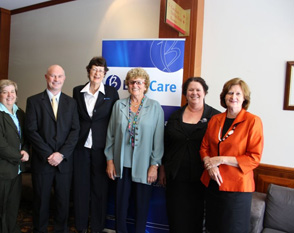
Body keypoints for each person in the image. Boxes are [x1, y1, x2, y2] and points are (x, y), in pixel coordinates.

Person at [200, 78, 264, 233]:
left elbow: (254, 158)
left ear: (244, 98)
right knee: (212, 228)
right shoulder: (216, 119)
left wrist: (220, 160)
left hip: (237, 189)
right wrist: (210, 165)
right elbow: (204, 148)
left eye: (237, 93)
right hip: (213, 184)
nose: (233, 97)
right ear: (224, 96)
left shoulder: (253, 121)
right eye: (230, 93)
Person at [104, 68, 164, 233]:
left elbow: (158, 140)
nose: (135, 85)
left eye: (139, 82)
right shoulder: (118, 105)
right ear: (128, 85)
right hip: (121, 165)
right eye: (132, 82)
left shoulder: (155, 107)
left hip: (144, 166)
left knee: (141, 207)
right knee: (120, 207)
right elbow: (110, 136)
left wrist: (154, 165)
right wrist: (109, 161)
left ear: (145, 86)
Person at [159, 77, 220, 232]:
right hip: (176, 176)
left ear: (205, 92)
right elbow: (167, 144)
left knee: (196, 219)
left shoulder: (216, 117)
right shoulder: (175, 116)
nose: (194, 93)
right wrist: (163, 169)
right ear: (185, 93)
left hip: (202, 177)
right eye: (190, 90)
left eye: (198, 90)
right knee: (176, 217)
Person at [25, 65, 80, 233]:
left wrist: (61, 154)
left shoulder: (71, 103)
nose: (56, 79)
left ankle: (60, 230)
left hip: (64, 162)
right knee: (41, 201)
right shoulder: (33, 101)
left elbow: (75, 130)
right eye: (52, 76)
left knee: (63, 201)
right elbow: (31, 130)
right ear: (46, 77)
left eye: (60, 76)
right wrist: (49, 154)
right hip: (43, 161)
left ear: (64, 78)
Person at [72, 57, 119, 233]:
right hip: (80, 147)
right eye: (94, 70)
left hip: (102, 148)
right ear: (88, 71)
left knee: (100, 190)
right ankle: (81, 226)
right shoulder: (77, 91)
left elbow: (115, 122)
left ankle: (97, 227)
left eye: (101, 71)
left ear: (105, 74)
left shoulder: (112, 92)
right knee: (80, 188)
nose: (97, 73)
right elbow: (74, 118)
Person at [0, 79, 30, 233]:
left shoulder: (19, 112)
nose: (10, 95)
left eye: (12, 92)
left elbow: (25, 138)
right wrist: (20, 156)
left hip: (15, 170)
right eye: (5, 92)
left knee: (12, 206)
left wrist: (26, 151)